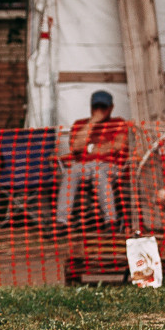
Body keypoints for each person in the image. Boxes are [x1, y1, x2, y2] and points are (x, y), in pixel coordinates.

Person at [53, 90, 129, 234]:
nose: (99, 111)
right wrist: (92, 122)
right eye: (96, 107)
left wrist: (89, 148)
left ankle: (111, 221)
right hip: (84, 166)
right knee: (70, 172)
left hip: (110, 166)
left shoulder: (118, 122)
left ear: (111, 108)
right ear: (91, 107)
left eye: (103, 108)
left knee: (99, 174)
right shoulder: (80, 124)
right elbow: (75, 146)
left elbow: (119, 145)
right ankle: (61, 222)